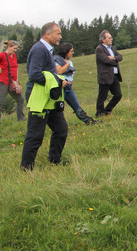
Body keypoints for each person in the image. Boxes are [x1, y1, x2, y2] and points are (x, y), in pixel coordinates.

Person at [20, 22, 69, 170]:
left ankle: (55, 161)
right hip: (38, 97)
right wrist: (58, 81)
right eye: (58, 33)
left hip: (49, 97)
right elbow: (34, 74)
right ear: (48, 35)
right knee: (35, 134)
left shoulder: (47, 49)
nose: (60, 36)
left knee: (61, 129)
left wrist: (57, 81)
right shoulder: (40, 50)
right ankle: (26, 168)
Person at [54, 43, 98, 125]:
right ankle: (59, 125)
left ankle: (89, 121)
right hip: (61, 87)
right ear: (65, 52)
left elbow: (72, 76)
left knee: (76, 106)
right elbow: (59, 71)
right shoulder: (56, 60)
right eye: (71, 51)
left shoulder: (70, 62)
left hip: (68, 87)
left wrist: (71, 86)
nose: (73, 53)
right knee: (59, 108)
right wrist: (67, 64)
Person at [95, 30, 123, 117]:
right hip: (105, 76)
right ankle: (99, 113)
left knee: (118, 95)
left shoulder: (112, 48)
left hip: (114, 75)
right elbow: (106, 60)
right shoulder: (99, 49)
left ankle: (107, 111)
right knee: (102, 97)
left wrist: (113, 57)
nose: (111, 39)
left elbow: (120, 56)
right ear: (103, 40)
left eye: (111, 37)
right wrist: (115, 61)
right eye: (109, 38)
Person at [0, 40, 26, 122]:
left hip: (13, 83)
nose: (15, 50)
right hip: (3, 81)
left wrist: (17, 82)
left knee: (20, 99)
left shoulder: (14, 56)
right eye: (14, 48)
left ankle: (21, 119)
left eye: (16, 49)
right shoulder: (2, 55)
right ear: (9, 47)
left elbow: (16, 68)